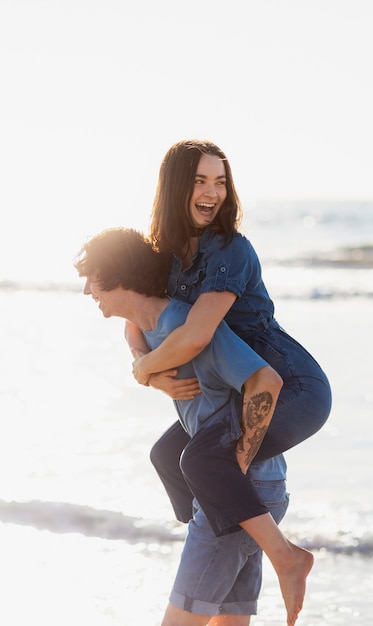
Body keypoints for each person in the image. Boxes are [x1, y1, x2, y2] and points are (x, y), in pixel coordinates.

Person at [74, 227, 313, 626]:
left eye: (92, 277)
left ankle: (288, 557)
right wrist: (146, 371)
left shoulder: (187, 327)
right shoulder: (150, 329)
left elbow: (266, 382)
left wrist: (238, 461)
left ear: (118, 274)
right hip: (243, 492)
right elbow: (135, 332)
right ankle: (279, 553)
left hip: (238, 492)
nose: (86, 290)